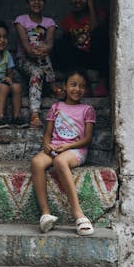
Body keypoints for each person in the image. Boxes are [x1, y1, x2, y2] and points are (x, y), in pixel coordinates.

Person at [31, 67, 96, 235]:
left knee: (60, 161)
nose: (77, 89)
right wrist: (47, 145)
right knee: (37, 162)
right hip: (55, 147)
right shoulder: (56, 107)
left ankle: (78, 213)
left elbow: (87, 139)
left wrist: (67, 147)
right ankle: (45, 214)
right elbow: (48, 134)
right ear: (65, 87)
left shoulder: (87, 109)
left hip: (76, 150)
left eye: (82, 86)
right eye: (73, 84)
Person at [14, 0, 64, 128]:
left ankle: (36, 113)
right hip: (24, 60)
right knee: (37, 72)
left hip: (42, 58)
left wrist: (44, 49)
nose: (36, 2)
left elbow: (49, 44)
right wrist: (33, 50)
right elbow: (26, 46)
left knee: (41, 61)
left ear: (44, 2)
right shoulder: (21, 20)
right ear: (27, 3)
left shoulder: (49, 23)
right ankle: (35, 112)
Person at [57, 0, 109, 96]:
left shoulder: (100, 14)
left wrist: (91, 7)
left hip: (98, 57)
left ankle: (102, 83)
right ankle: (83, 85)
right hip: (80, 59)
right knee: (61, 44)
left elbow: (96, 30)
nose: (78, 0)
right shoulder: (68, 20)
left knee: (100, 33)